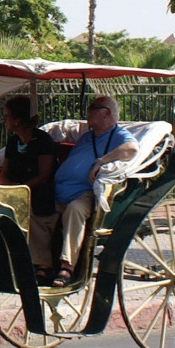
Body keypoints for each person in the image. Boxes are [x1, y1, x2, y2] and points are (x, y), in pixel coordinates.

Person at [50, 95, 138, 287]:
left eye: (93, 108)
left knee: (75, 210)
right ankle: (39, 264)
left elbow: (131, 149)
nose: (88, 112)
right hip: (59, 191)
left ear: (107, 113)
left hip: (84, 193)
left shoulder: (118, 135)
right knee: (37, 211)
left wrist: (101, 161)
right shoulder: (86, 137)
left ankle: (68, 266)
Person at [0, 95, 58, 285]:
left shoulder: (43, 141)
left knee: (32, 207)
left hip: (38, 191)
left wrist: (21, 190)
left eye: (6, 116)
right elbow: (5, 172)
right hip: (15, 191)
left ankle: (43, 264)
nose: (4, 120)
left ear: (17, 120)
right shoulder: (12, 142)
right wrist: (8, 187)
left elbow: (44, 175)